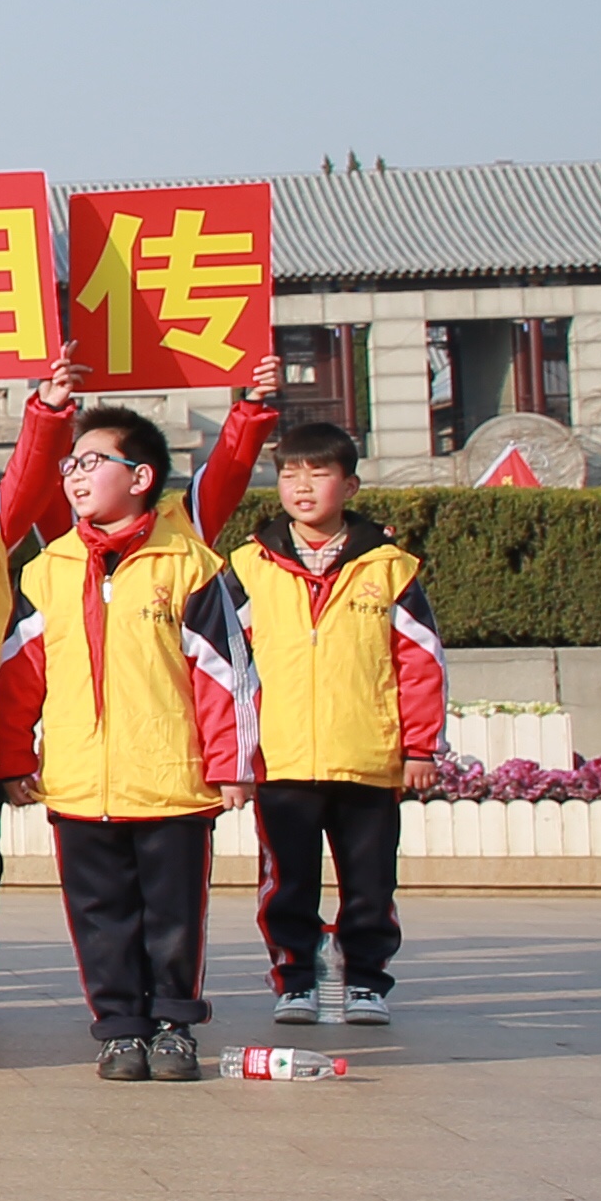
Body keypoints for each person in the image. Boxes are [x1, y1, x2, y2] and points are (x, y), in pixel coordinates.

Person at [2, 404, 260, 1082]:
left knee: (173, 917)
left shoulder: (188, 565)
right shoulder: (47, 569)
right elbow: (19, 673)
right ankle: (120, 1029)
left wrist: (232, 762)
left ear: (141, 476)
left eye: (93, 462)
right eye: (70, 464)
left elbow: (225, 676)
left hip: (171, 782)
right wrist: (11, 759)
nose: (76, 475)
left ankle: (175, 1024)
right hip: (83, 785)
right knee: (100, 915)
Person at [210, 416, 438, 1028]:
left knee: (370, 882)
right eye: (289, 474)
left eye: (319, 474)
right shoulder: (249, 566)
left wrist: (420, 748)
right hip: (281, 759)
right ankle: (295, 978)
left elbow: (419, 664)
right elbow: (224, 667)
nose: (302, 487)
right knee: (288, 882)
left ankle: (365, 980)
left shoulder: (391, 570)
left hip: (368, 756)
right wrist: (233, 756)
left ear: (352, 485)